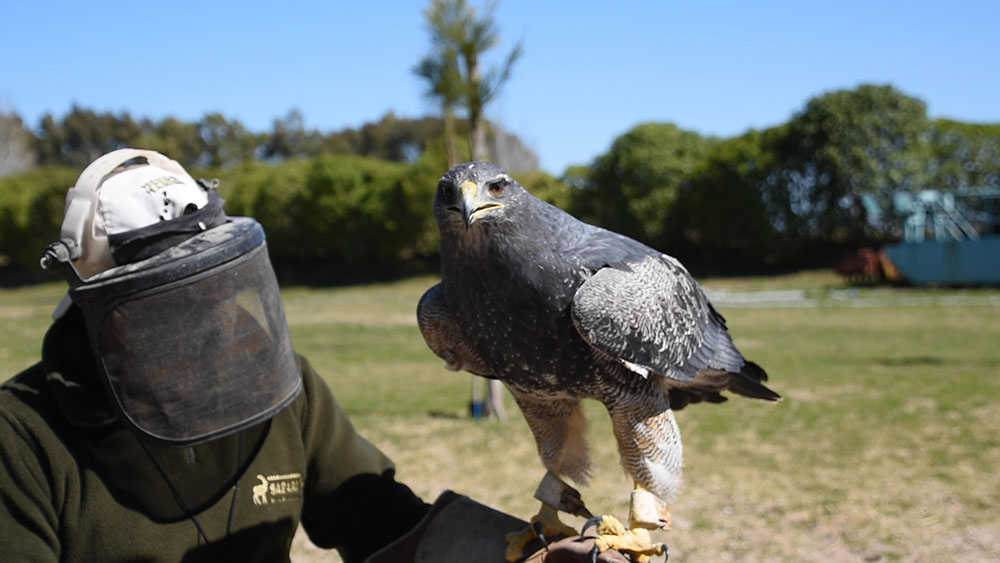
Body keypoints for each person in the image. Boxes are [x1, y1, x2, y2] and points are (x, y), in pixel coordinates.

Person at [0, 149, 627, 562]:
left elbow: (381, 523)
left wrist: (530, 557)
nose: (207, 319)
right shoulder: (21, 438)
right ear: (95, 309)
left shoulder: (277, 386)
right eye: (167, 301)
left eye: (211, 286)